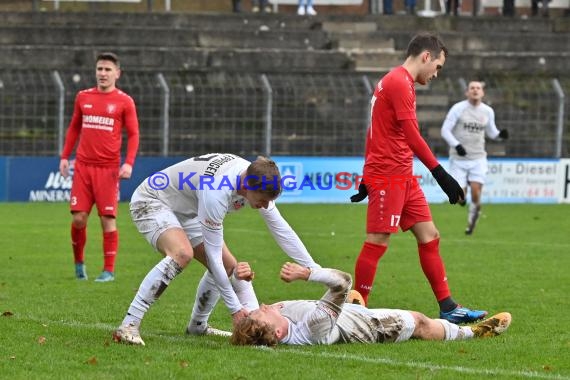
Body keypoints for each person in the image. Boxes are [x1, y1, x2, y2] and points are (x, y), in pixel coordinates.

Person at [349, 33, 487, 324]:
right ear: (426, 56)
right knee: (378, 239)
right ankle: (356, 310)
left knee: (430, 236)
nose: (436, 74)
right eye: (437, 66)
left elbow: (375, 130)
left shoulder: (396, 80)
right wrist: (440, 174)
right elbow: (412, 135)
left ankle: (448, 307)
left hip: (402, 174)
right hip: (388, 174)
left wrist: (365, 175)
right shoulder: (399, 82)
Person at [112, 153, 321, 346]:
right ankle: (129, 324)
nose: (266, 206)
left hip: (189, 209)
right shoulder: (217, 192)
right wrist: (235, 310)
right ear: (247, 187)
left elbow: (281, 228)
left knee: (230, 266)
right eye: (263, 201)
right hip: (153, 200)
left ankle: (197, 326)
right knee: (182, 254)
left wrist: (314, 269)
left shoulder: (256, 175)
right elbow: (213, 258)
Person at [231, 262, 512, 346]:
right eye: (263, 311)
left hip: (342, 316)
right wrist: (308, 274)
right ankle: (473, 332)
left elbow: (243, 291)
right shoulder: (313, 327)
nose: (264, 305)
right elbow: (343, 281)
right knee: (419, 322)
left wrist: (239, 275)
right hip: (370, 327)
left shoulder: (269, 325)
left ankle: (352, 306)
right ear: (278, 333)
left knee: (348, 302)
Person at [59, 52, 139, 283]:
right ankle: (79, 264)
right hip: (83, 167)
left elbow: (133, 134)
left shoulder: (125, 101)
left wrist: (129, 163)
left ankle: (108, 270)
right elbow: (74, 128)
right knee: (78, 219)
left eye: (107, 69)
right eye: (100, 69)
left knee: (107, 219)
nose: (103, 73)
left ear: (117, 73)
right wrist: (65, 156)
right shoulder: (83, 97)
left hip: (108, 169)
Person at [441, 81, 508, 235]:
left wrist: (500, 136)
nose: (475, 90)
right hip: (459, 159)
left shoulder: (488, 111)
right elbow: (445, 130)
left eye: (478, 88)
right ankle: (463, 202)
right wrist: (456, 145)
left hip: (478, 158)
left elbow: (491, 132)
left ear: (483, 93)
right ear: (467, 92)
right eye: (472, 88)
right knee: (459, 196)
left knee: (476, 192)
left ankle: (471, 223)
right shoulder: (458, 108)